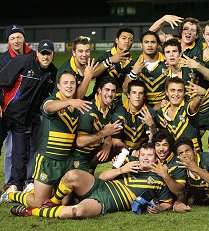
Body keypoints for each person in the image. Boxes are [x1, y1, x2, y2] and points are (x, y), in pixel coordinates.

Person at [0, 71, 92, 207]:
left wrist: (87, 78)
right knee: (39, 203)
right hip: (48, 161)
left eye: (72, 83)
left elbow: (78, 98)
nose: (69, 86)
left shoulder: (76, 105)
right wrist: (70, 101)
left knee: (64, 203)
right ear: (58, 86)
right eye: (65, 83)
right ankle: (12, 194)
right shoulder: (51, 101)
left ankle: (53, 191)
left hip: (66, 161)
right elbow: (49, 108)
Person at [10, 143, 173, 218]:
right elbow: (101, 177)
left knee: (77, 212)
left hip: (105, 202)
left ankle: (31, 212)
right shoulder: (129, 164)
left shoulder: (158, 178)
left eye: (149, 155)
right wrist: (122, 170)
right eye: (143, 154)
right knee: (72, 175)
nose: (145, 158)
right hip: (98, 186)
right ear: (139, 155)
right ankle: (52, 201)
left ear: (155, 158)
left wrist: (159, 209)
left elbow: (167, 202)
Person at [0, 40, 57, 192]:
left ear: (53, 55)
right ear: (37, 53)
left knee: (20, 154)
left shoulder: (52, 73)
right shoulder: (22, 61)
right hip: (5, 114)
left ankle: (16, 186)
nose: (45, 56)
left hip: (23, 121)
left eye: (48, 54)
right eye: (42, 53)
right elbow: (1, 80)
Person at [0, 24, 36, 193]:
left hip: (27, 113)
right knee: (10, 150)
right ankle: (9, 182)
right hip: (7, 111)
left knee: (25, 149)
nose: (16, 40)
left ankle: (25, 182)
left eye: (18, 37)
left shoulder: (33, 56)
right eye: (12, 38)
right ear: (8, 41)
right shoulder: (4, 58)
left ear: (23, 38)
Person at [71, 76, 122, 173]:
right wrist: (104, 133)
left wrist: (107, 144)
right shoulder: (88, 110)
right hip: (79, 156)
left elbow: (109, 132)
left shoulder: (109, 108)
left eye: (113, 91)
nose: (110, 94)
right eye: (107, 90)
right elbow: (80, 142)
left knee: (122, 152)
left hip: (93, 152)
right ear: (99, 90)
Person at [155, 77, 206, 151]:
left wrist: (201, 96)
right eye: (172, 90)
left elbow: (194, 106)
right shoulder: (161, 113)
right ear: (166, 92)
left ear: (184, 93)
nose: (176, 94)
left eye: (180, 91)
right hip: (173, 155)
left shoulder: (187, 107)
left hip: (192, 154)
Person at [122, 31, 168, 109]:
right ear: (141, 45)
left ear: (158, 45)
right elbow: (125, 90)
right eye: (146, 42)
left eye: (153, 42)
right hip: (141, 110)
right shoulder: (133, 64)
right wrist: (134, 72)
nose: (149, 45)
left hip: (164, 108)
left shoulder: (167, 63)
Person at [174, 137, 209, 206]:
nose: (185, 155)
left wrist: (196, 168)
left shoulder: (208, 158)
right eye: (181, 153)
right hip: (205, 201)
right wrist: (177, 205)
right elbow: (182, 191)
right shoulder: (180, 167)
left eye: (187, 151)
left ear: (194, 150)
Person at [111, 80, 157, 151]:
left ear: (144, 96)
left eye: (140, 93)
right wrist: (130, 153)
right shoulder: (118, 113)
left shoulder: (150, 113)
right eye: (134, 93)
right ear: (128, 95)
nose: (137, 96)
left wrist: (152, 126)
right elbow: (116, 142)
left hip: (144, 151)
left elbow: (153, 141)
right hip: (123, 152)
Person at [95, 28, 135, 103]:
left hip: (117, 103)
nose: (127, 41)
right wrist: (110, 60)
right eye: (124, 38)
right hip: (99, 101)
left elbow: (126, 90)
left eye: (130, 39)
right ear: (117, 40)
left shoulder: (131, 63)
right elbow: (93, 74)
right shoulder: (107, 56)